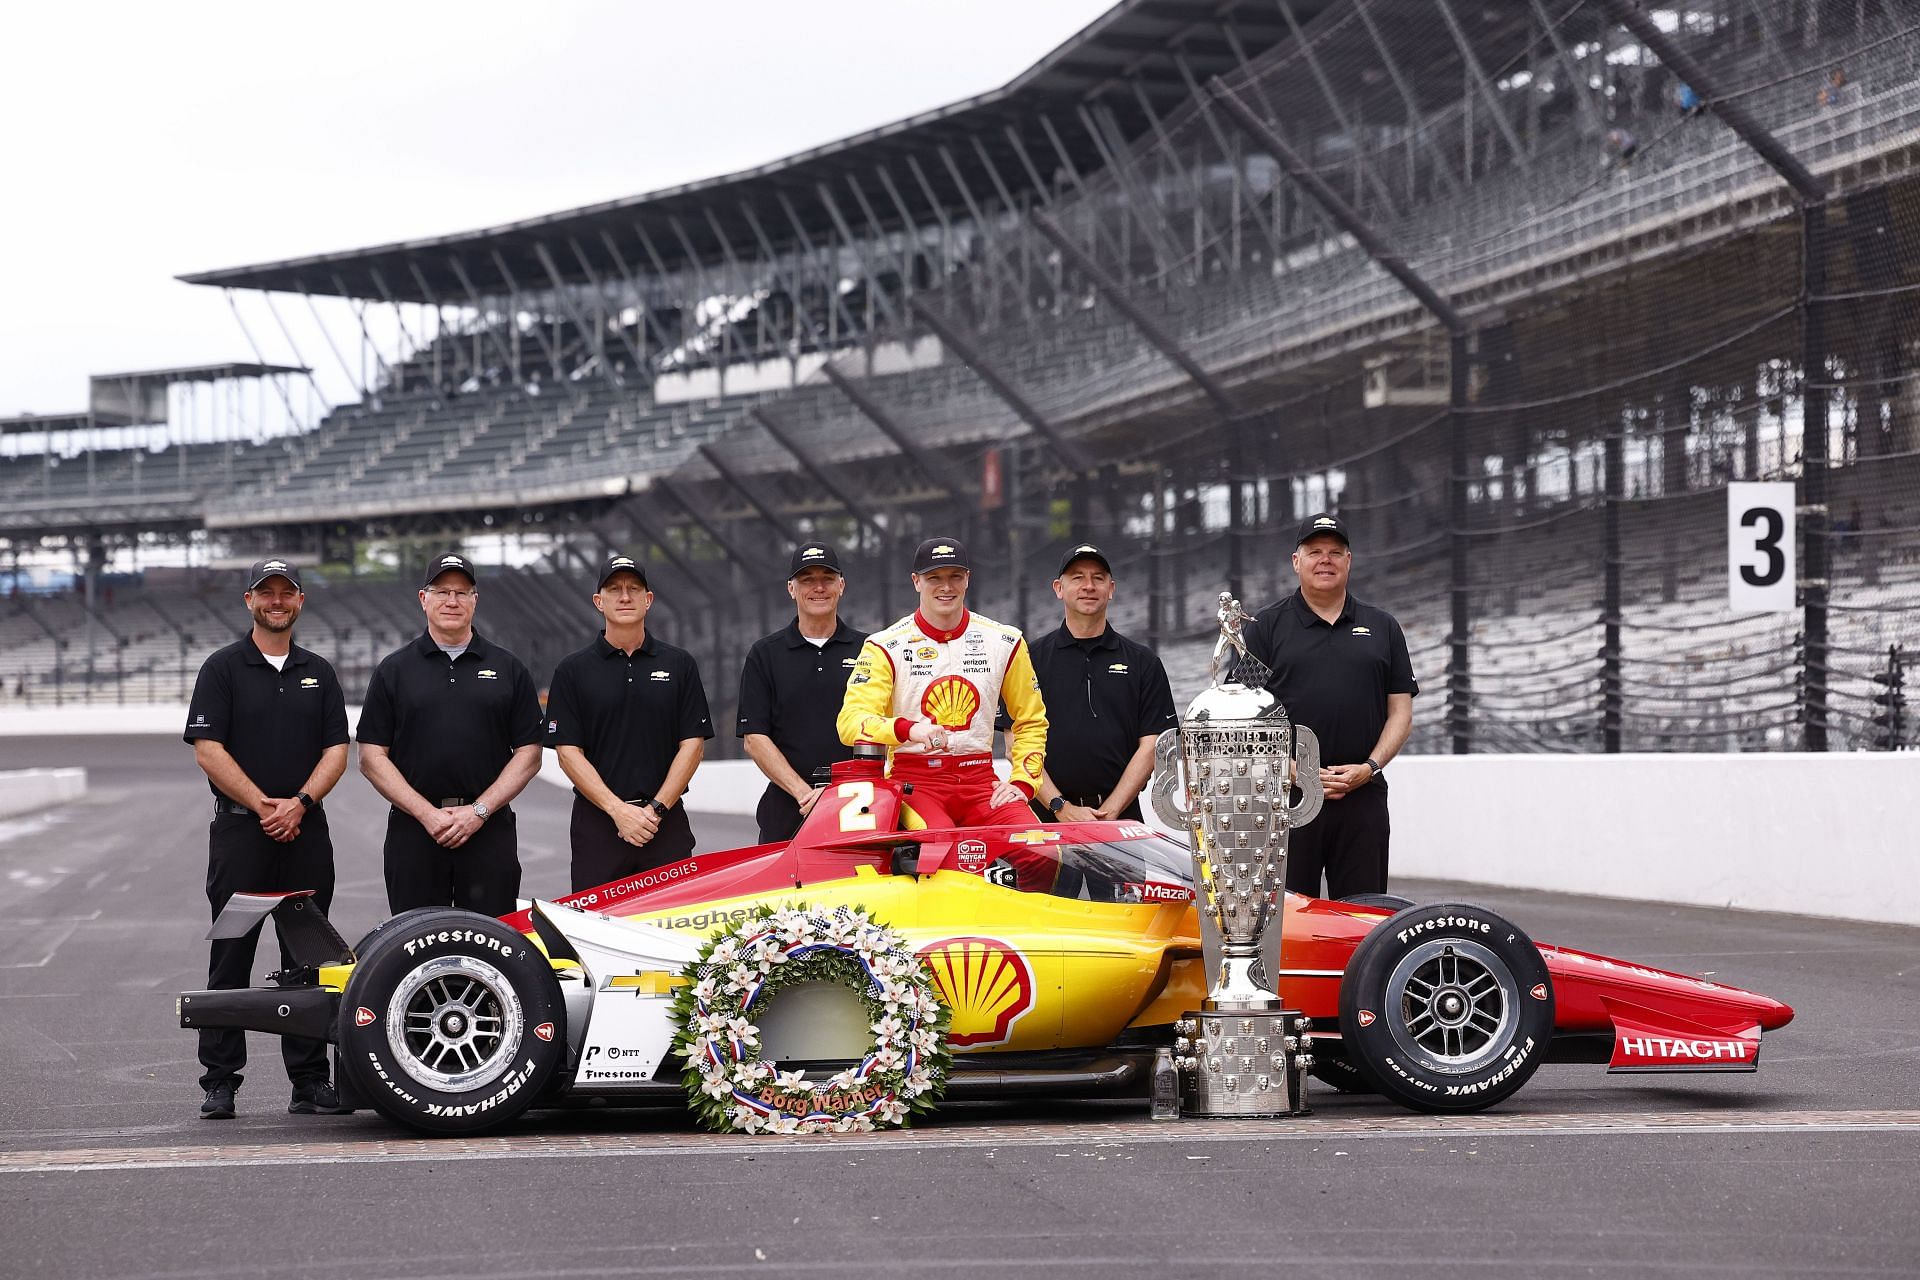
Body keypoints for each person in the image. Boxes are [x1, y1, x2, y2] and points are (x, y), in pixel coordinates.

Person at [182, 557, 350, 1120]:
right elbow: (209, 749)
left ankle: (309, 1082)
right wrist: (263, 806)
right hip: (241, 832)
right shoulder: (223, 669)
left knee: (308, 960)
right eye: (265, 592)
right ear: (248, 601)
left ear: (299, 601)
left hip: (305, 830)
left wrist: (298, 804)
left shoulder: (319, 672)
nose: (276, 601)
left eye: (286, 592)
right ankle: (220, 1082)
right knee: (231, 956)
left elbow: (337, 751)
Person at [837, 538, 1048, 889]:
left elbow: (1031, 721)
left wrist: (1024, 782)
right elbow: (850, 721)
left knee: (1039, 852)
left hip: (981, 779)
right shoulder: (884, 645)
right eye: (934, 577)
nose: (946, 587)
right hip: (915, 781)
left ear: (968, 579)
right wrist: (907, 729)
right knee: (943, 851)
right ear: (916, 581)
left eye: (955, 576)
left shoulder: (1005, 641)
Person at [358, 553, 543, 918]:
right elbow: (371, 757)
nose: (452, 601)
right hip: (415, 832)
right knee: (417, 944)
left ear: (475, 600)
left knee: (491, 946)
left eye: (462, 592)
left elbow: (529, 754)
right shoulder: (394, 670)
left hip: (489, 829)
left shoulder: (508, 668)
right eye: (442, 591)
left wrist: (478, 812)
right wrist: (427, 814)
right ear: (423, 598)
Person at [1243, 513, 1416, 899]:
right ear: (1296, 561)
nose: (1326, 560)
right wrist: (1293, 772)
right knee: (1287, 917)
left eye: (1335, 552)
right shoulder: (1265, 628)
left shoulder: (1382, 627)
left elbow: (1401, 713)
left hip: (1362, 796)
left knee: (1364, 918)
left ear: (1349, 561)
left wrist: (1369, 768)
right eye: (1315, 551)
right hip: (1286, 796)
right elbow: (1243, 714)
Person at [546, 553, 713, 890]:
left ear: (648, 600)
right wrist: (618, 811)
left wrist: (655, 810)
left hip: (665, 824)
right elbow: (568, 753)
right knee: (596, 932)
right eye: (614, 589)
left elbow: (693, 745)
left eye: (634, 589)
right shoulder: (572, 670)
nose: (625, 597)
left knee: (675, 927)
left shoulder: (680, 664)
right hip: (598, 826)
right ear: (599, 601)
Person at [1027, 543, 1177, 823]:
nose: (1088, 586)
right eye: (1077, 577)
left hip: (1121, 820)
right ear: (1059, 588)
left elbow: (1152, 744)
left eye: (1098, 578)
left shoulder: (1143, 661)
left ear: (1111, 589)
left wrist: (1111, 811)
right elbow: (1016, 741)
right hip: (1046, 821)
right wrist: (1060, 807)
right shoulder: (1029, 659)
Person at [737, 541, 866, 843]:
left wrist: (840, 794)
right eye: (807, 580)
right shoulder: (764, 654)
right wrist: (805, 794)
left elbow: (885, 726)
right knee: (782, 892)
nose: (818, 587)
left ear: (842, 585)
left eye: (827, 579)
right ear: (791, 589)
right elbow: (754, 738)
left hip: (859, 802)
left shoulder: (871, 649)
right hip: (789, 804)